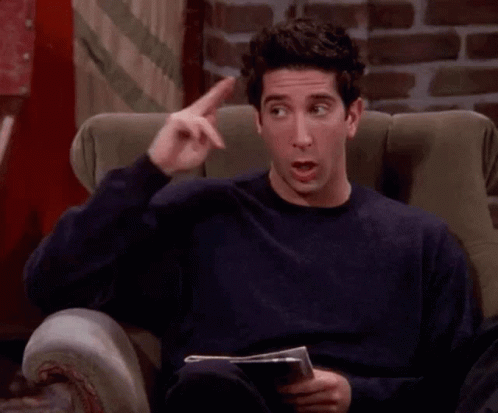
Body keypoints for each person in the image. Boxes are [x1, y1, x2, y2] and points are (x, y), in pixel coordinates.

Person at [24, 18, 480, 412]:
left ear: (352, 116)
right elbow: (51, 282)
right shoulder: (199, 216)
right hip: (220, 405)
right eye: (279, 111)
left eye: (318, 109)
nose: (300, 136)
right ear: (259, 121)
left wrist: (356, 395)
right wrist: (152, 170)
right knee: (207, 384)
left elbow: (462, 388)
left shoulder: (421, 242)